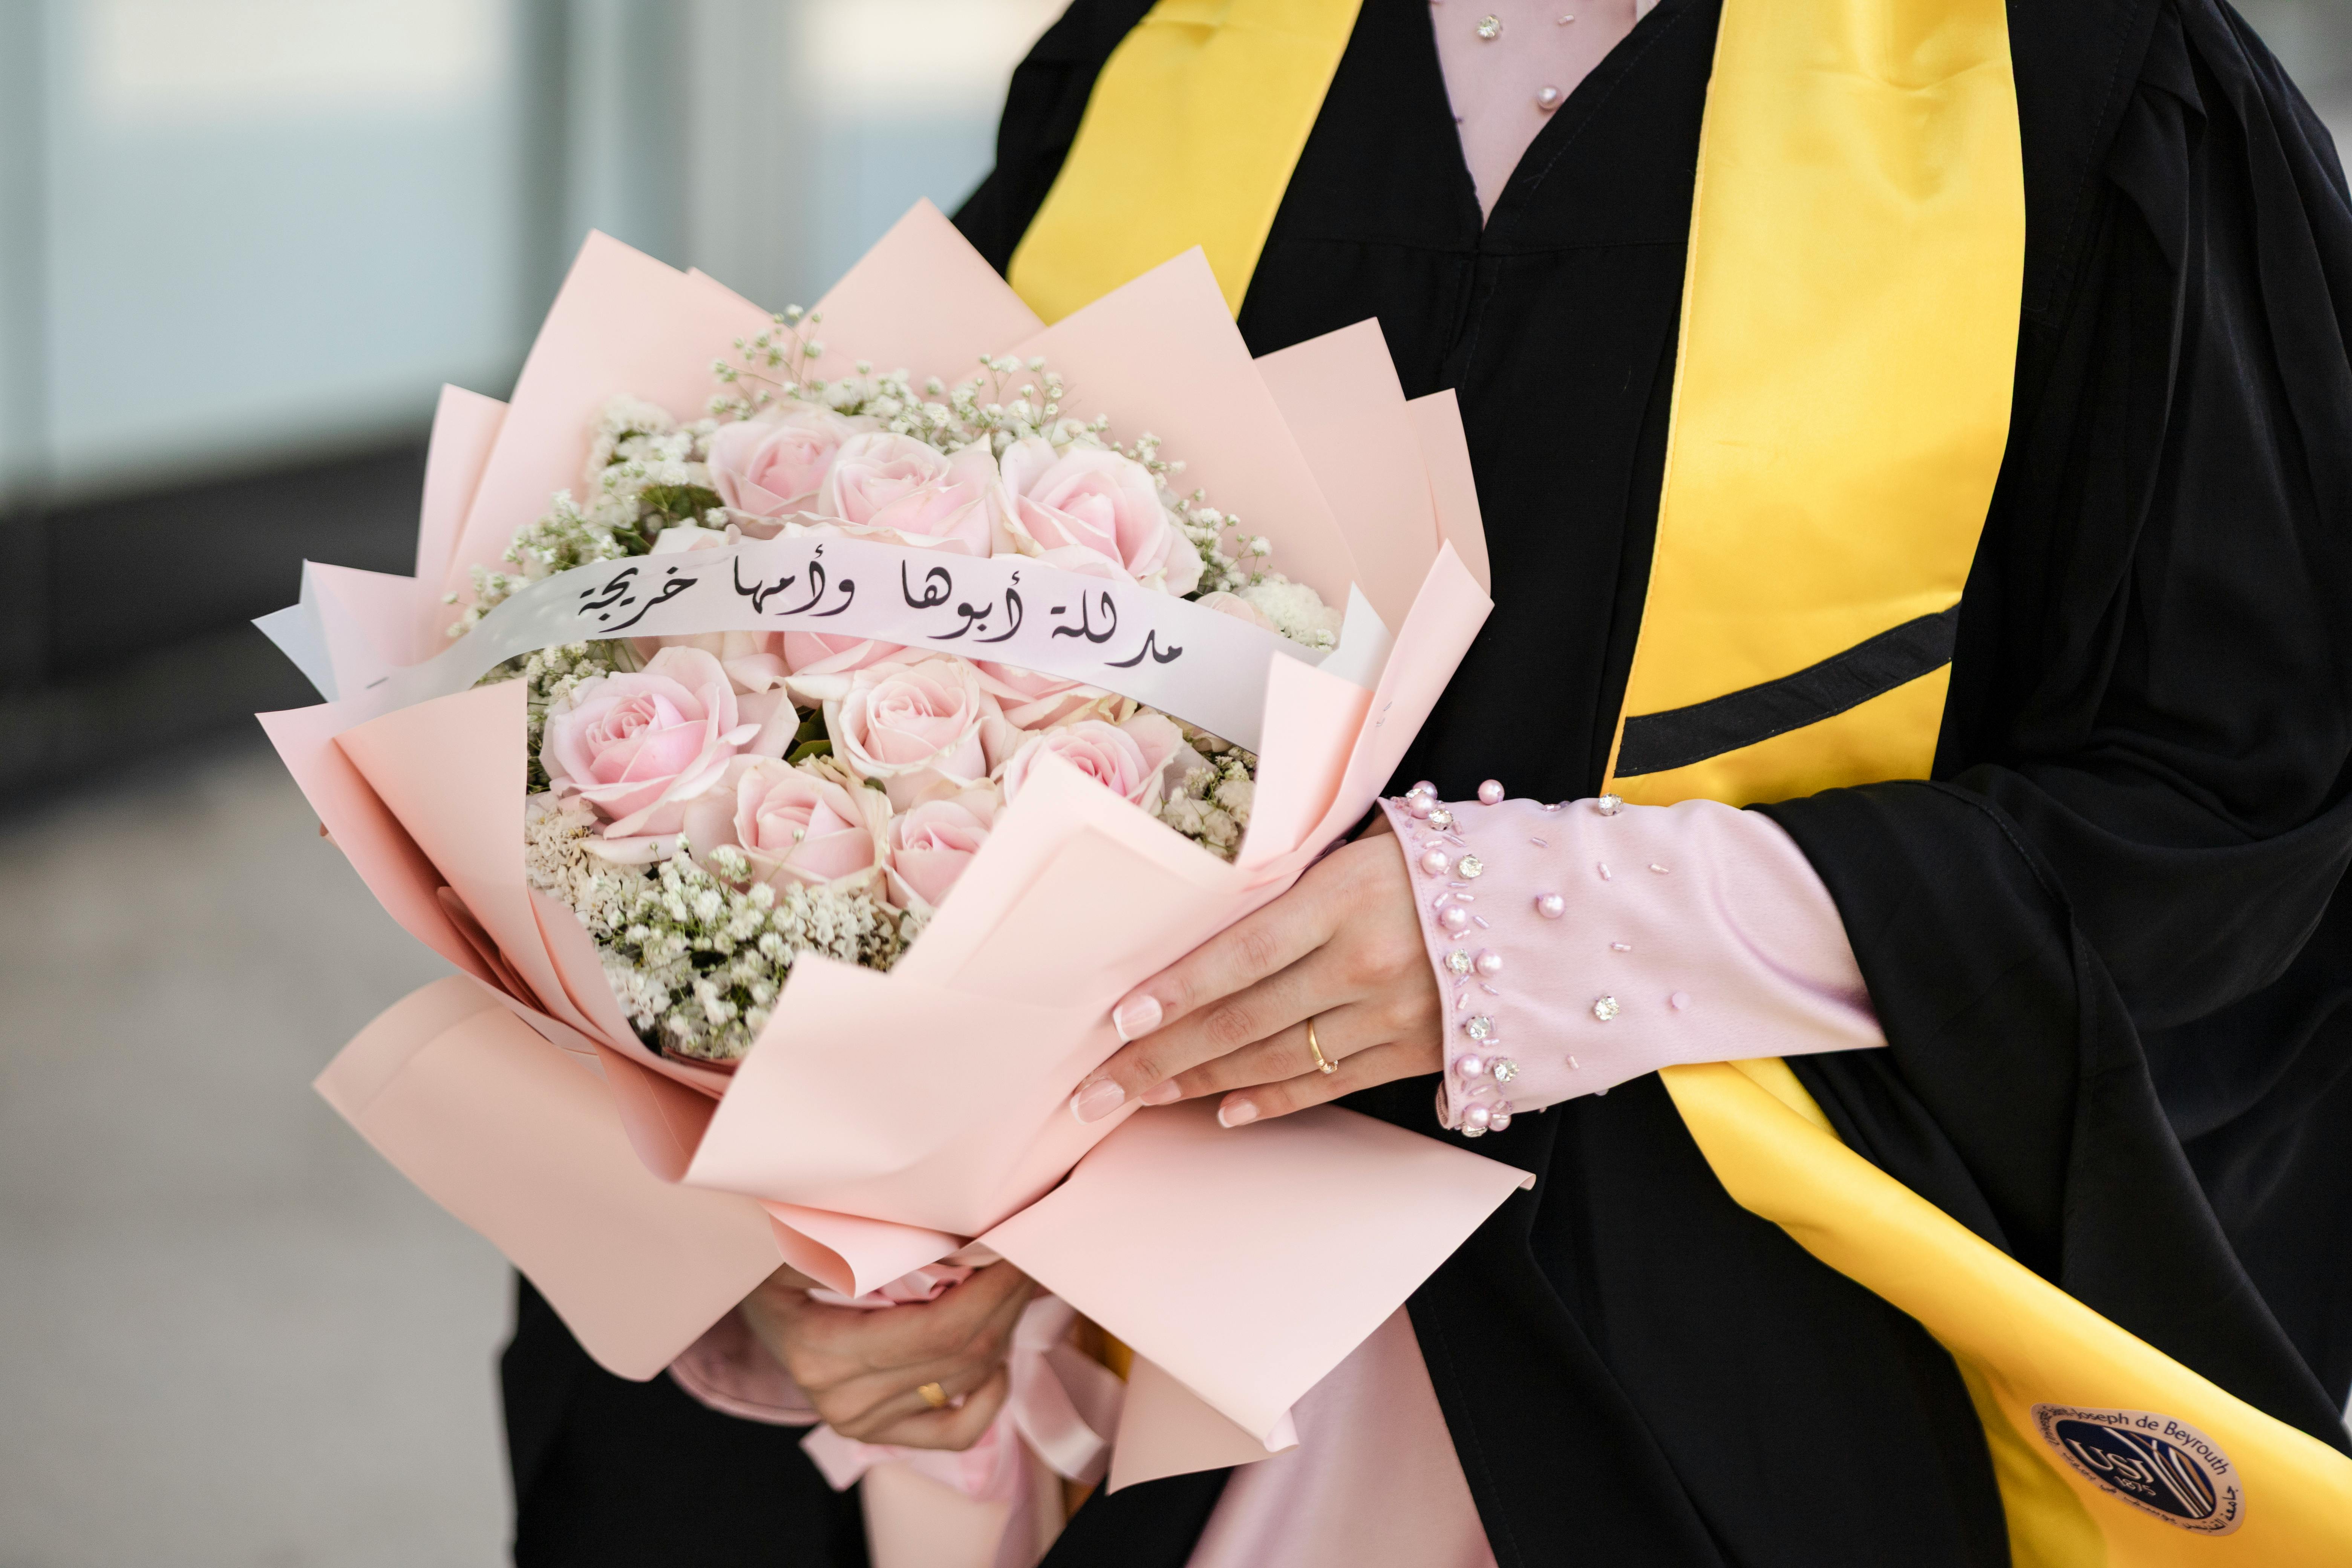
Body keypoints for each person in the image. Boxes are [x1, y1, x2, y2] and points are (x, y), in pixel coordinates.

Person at [506, 0, 2352, 1562]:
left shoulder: (2089, 90)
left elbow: (2242, 810)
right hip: (1142, 1374)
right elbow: (816, 640)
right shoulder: (1166, 47)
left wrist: (1554, 928)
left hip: (1728, 1393)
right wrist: (818, 1233)